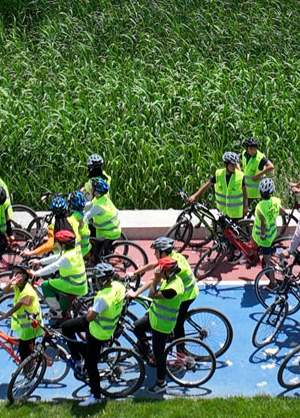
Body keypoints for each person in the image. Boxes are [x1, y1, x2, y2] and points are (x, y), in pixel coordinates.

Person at [140, 239, 197, 383]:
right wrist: (137, 271)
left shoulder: (174, 279)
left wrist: (154, 280)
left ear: (164, 252)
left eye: (156, 251)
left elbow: (153, 289)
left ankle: (180, 352)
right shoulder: (173, 260)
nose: (154, 253)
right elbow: (155, 266)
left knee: (178, 325)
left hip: (186, 296)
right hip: (186, 291)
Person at [79, 264, 132, 398]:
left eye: (96, 279)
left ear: (101, 280)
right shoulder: (118, 286)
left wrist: (91, 310)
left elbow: (90, 317)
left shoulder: (102, 297)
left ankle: (95, 395)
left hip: (98, 332)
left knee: (91, 364)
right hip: (109, 327)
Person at [83, 176, 125, 265]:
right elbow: (90, 205)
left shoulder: (99, 207)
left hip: (108, 232)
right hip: (112, 229)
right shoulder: (102, 198)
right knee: (102, 249)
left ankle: (101, 265)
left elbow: (86, 217)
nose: (91, 189)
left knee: (97, 253)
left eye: (93, 188)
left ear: (96, 192)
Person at [207, 150, 248, 230]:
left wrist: (245, 207)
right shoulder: (218, 174)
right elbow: (207, 185)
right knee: (224, 231)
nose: (234, 167)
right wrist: (195, 195)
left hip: (236, 212)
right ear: (226, 165)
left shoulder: (240, 176)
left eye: (235, 165)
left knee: (235, 233)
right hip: (223, 211)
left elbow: (245, 192)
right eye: (232, 165)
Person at [249, 176, 287, 257]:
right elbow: (283, 212)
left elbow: (264, 223)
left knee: (266, 256)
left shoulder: (260, 207)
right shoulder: (275, 201)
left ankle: (270, 266)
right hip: (272, 232)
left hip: (262, 236)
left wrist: (263, 235)